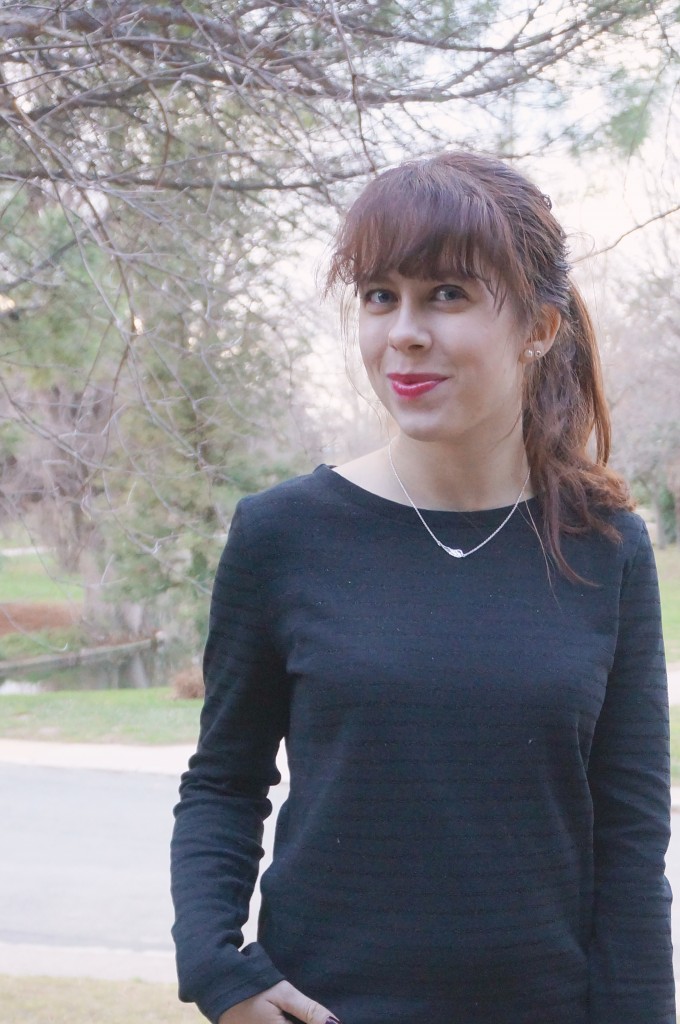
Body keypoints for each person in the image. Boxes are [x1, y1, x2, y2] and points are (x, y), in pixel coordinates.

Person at [170, 151, 675, 1024]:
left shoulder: (605, 550)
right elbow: (224, 782)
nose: (403, 332)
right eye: (380, 296)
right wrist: (218, 972)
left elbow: (630, 844)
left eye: (446, 294)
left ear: (539, 327)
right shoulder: (282, 535)